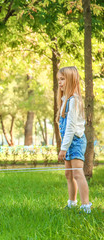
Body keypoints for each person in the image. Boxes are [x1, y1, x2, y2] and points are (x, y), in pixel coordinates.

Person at [57, 66, 92, 213]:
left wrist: (63, 148)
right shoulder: (64, 99)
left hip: (76, 141)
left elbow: (70, 127)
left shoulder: (74, 100)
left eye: (63, 79)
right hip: (69, 141)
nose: (60, 82)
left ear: (71, 80)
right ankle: (72, 203)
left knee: (77, 173)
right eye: (58, 79)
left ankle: (86, 206)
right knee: (69, 174)